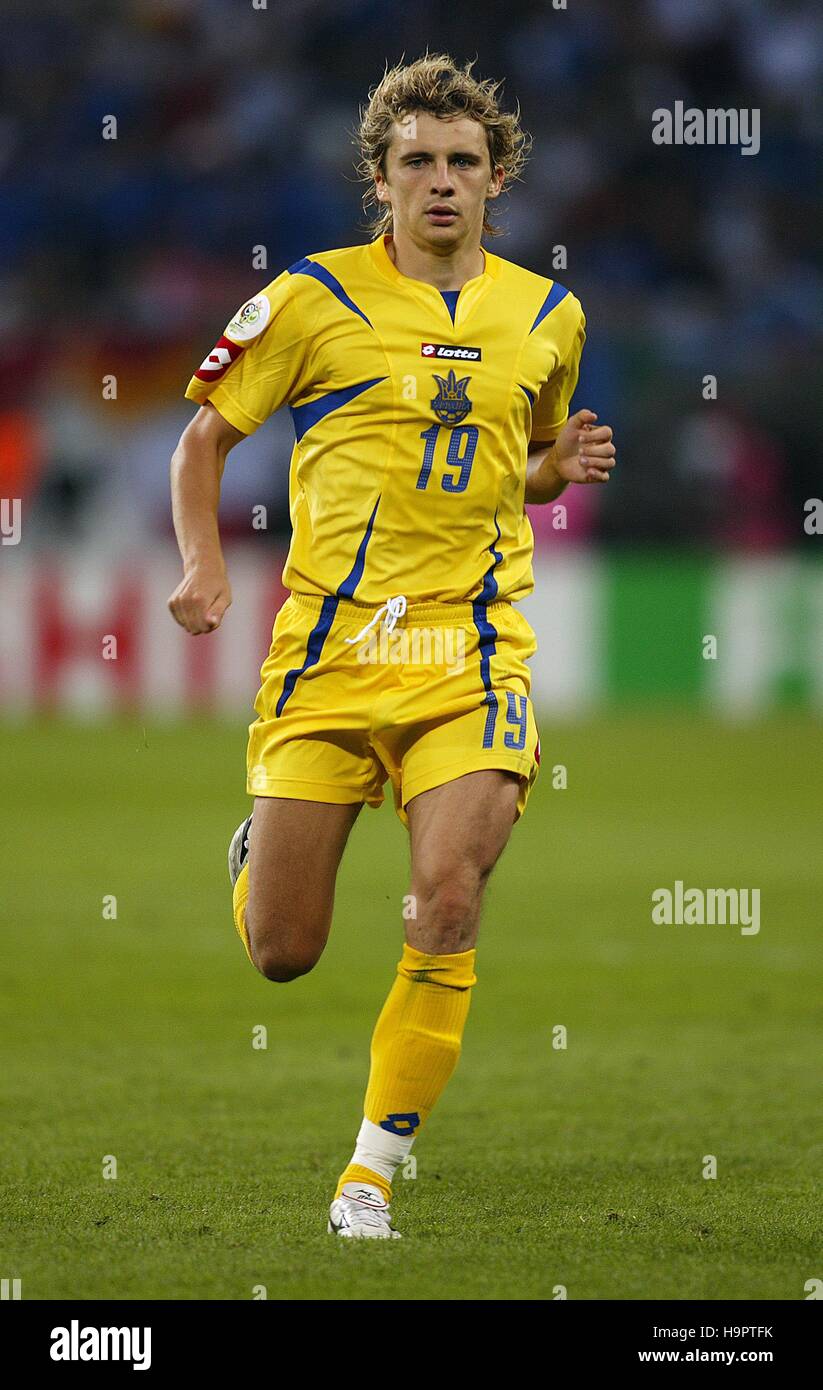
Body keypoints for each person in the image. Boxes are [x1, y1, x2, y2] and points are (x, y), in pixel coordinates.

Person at [168, 53, 616, 1239]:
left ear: (497, 178)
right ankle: (256, 852)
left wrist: (550, 471)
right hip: (328, 653)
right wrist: (207, 565)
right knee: (282, 952)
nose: (440, 183)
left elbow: (500, 468)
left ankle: (365, 1178)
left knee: (447, 898)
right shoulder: (309, 300)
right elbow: (201, 442)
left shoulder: (548, 315)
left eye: (463, 163)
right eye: (416, 162)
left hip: (471, 654)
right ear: (379, 179)